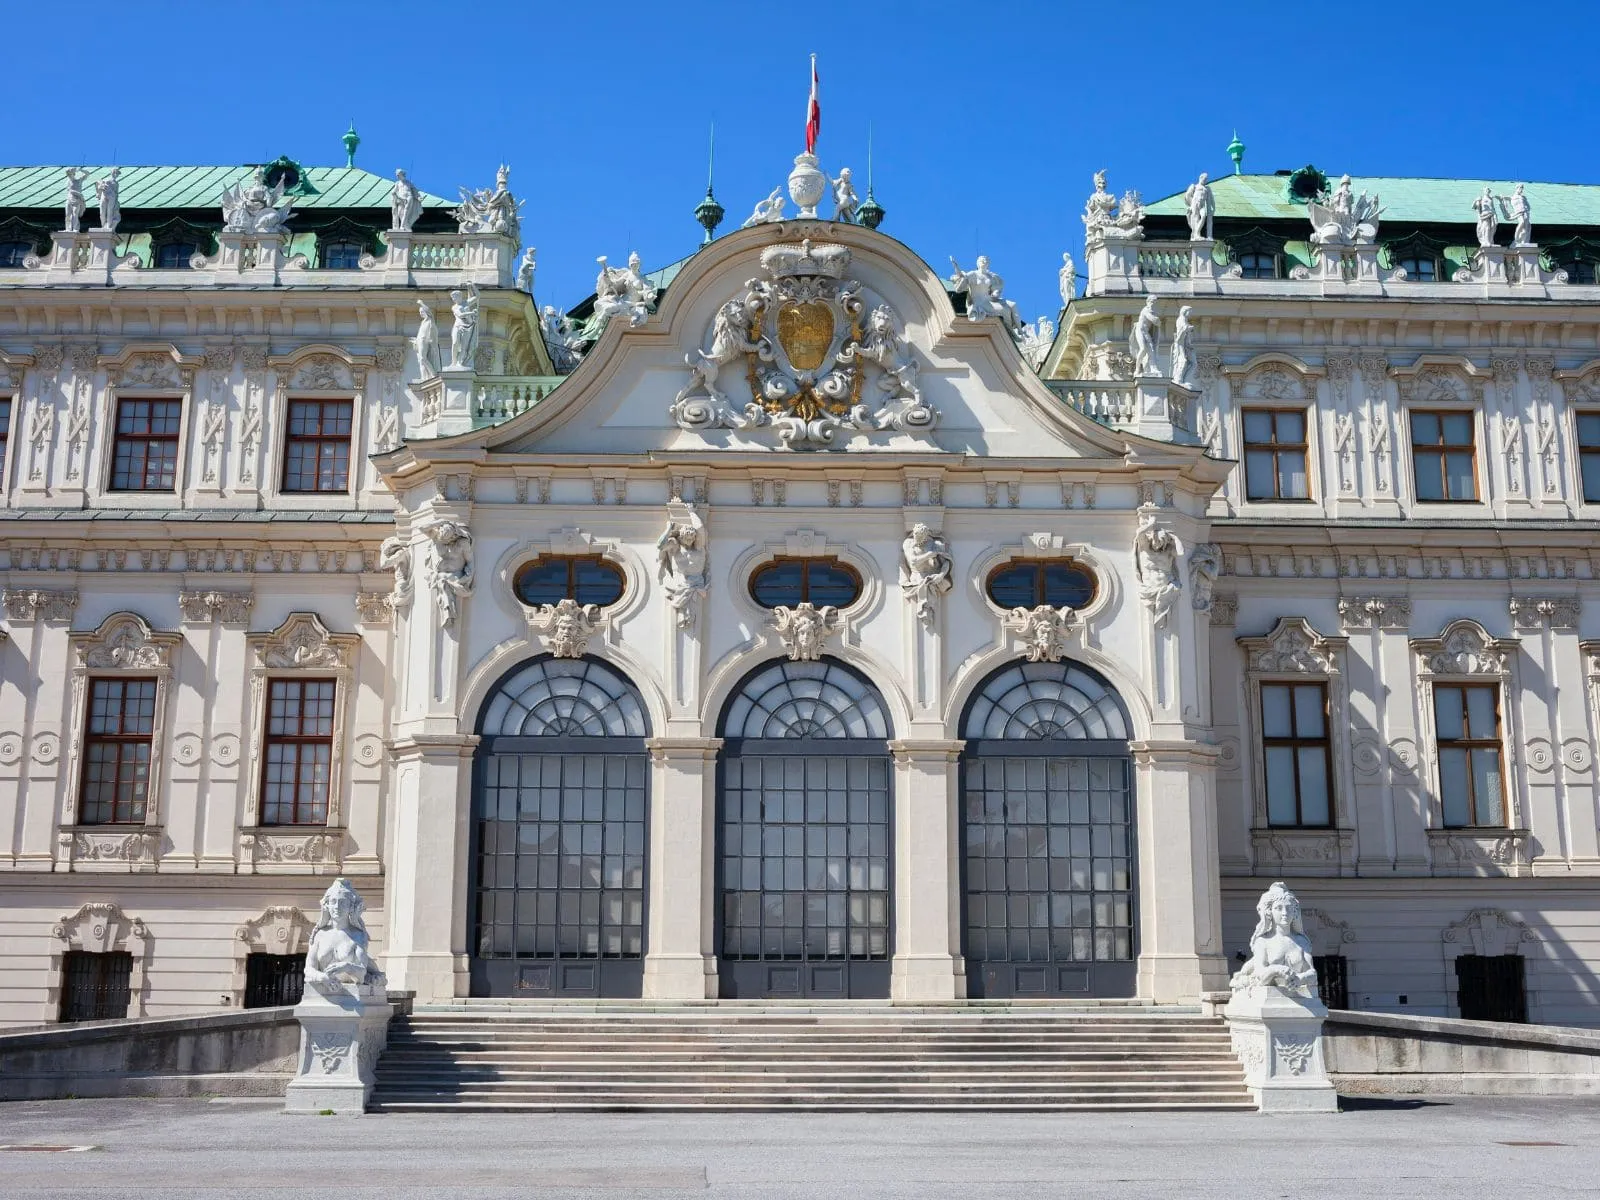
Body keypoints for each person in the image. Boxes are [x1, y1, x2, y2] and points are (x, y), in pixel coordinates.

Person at [1183, 172, 1214, 240]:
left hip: (1202, 205)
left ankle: (1197, 232)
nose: (1206, 180)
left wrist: (1213, 208)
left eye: (1206, 179)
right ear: (1201, 178)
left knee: (1203, 216)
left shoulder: (1207, 188)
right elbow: (1187, 196)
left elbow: (1211, 200)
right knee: (1195, 218)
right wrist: (1191, 205)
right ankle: (1196, 234)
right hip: (1195, 204)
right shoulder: (1194, 186)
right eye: (1205, 179)